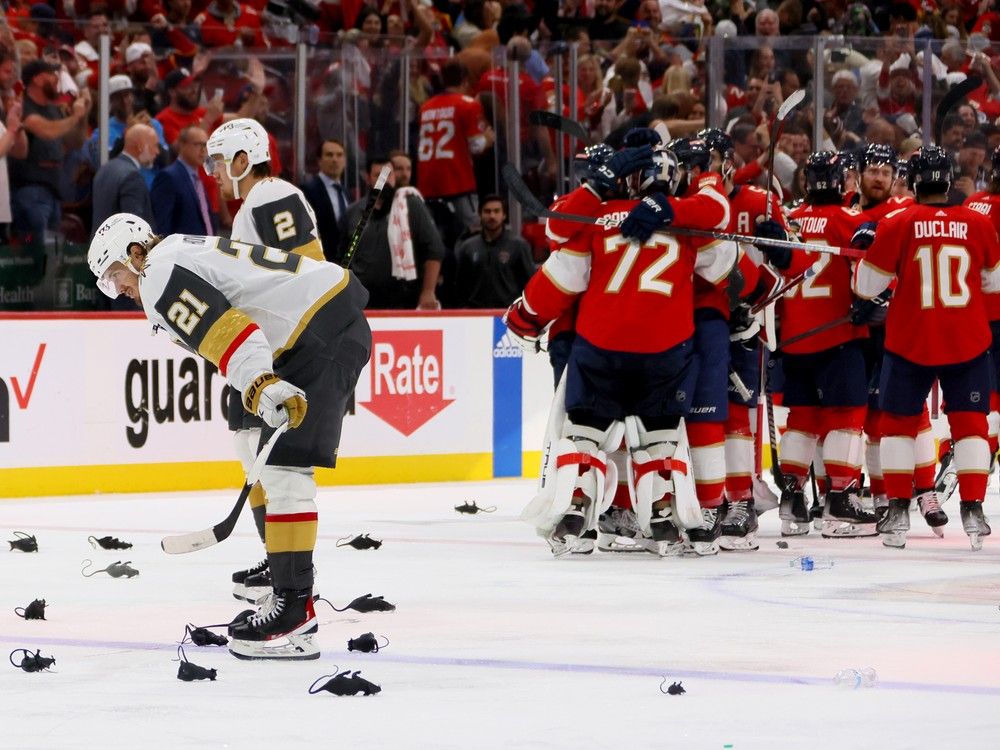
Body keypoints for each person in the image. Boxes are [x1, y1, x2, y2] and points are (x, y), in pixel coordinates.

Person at [86, 213, 371, 658]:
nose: (118, 288)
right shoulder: (174, 253)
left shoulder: (158, 273)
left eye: (116, 275)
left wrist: (260, 383)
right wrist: (255, 385)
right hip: (315, 326)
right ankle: (280, 579)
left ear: (135, 253)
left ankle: (296, 611)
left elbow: (231, 333)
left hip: (319, 335)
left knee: (285, 474)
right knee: (248, 437)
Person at [506, 147, 736, 558]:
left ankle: (576, 514)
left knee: (586, 434)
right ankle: (664, 519)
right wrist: (763, 284)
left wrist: (525, 317)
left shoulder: (598, 219)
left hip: (602, 348)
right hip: (666, 350)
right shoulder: (687, 220)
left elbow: (563, 273)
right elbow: (727, 265)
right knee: (661, 437)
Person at [854, 146, 1000, 551]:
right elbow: (994, 282)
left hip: (909, 340)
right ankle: (973, 510)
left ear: (914, 180)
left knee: (897, 425)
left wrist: (874, 252)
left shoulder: (897, 223)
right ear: (949, 179)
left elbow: (867, 287)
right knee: (971, 425)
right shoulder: (977, 222)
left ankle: (898, 510)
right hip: (966, 339)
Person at [206, 117, 327, 602]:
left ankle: (289, 577)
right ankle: (272, 555)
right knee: (248, 446)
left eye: (218, 161)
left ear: (242, 160)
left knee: (272, 462)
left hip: (285, 346)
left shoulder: (271, 194)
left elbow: (308, 260)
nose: (214, 171)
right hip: (266, 343)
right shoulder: (254, 204)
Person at [760, 151, 875, 539]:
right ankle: (840, 498)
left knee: (803, 418)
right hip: (837, 334)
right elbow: (868, 275)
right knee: (847, 415)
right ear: (841, 179)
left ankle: (792, 500)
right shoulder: (850, 221)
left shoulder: (790, 219)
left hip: (794, 337)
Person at [337, 154, 445, 310]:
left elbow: (434, 250)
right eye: (378, 176)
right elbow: (343, 258)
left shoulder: (410, 205)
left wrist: (428, 291)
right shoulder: (353, 212)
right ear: (368, 178)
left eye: (389, 175)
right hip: (362, 301)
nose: (385, 181)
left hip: (403, 300)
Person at [416, 59, 493, 268]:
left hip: (428, 183)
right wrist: (489, 138)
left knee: (434, 239)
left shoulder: (426, 107)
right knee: (474, 234)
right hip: (458, 181)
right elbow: (476, 146)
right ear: (465, 80)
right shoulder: (467, 104)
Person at [10, 59, 91, 245]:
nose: (57, 79)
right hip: (30, 190)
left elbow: (74, 142)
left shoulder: (54, 110)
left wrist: (83, 114)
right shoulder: (23, 107)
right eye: (52, 74)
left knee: (52, 252)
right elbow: (47, 131)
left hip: (54, 190)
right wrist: (75, 116)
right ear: (37, 79)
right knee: (33, 247)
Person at [452, 195, 535, 308]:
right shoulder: (468, 247)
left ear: (504, 215)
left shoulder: (519, 246)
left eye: (496, 211)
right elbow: (460, 285)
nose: (492, 216)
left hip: (508, 313)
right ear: (480, 215)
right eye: (487, 211)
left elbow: (530, 283)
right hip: (476, 314)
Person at [91, 123, 160, 232]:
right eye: (155, 145)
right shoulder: (132, 177)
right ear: (140, 146)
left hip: (100, 244)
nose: (157, 151)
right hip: (121, 247)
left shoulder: (105, 168)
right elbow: (134, 228)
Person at [151, 126, 216, 236]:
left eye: (206, 145)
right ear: (182, 145)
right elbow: (162, 225)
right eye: (198, 144)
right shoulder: (168, 177)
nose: (203, 150)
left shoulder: (197, 178)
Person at [301, 138, 349, 262]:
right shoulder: (308, 191)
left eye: (339, 155)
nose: (335, 159)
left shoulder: (345, 192)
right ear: (319, 161)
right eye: (329, 155)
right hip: (320, 262)